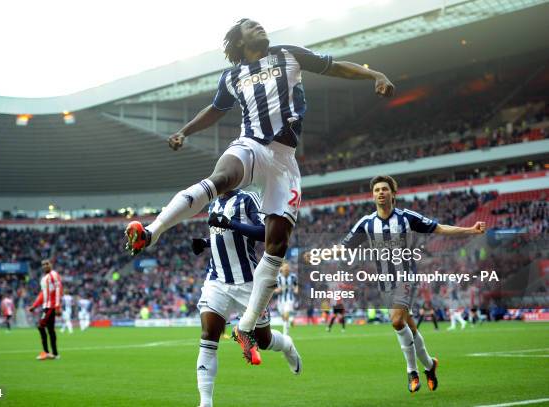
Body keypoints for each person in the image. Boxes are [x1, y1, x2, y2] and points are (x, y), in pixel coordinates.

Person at [125, 18, 394, 363]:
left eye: (259, 25)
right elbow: (215, 109)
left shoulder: (289, 55)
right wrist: (185, 132)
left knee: (277, 243)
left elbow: (335, 67)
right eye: (251, 26)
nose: (260, 28)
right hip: (251, 145)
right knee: (221, 177)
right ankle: (152, 230)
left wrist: (375, 75)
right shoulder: (232, 77)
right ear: (239, 41)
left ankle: (247, 325)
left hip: (285, 162)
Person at [341, 175, 485, 393]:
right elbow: (344, 246)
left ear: (393, 193)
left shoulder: (406, 218)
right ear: (373, 196)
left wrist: (471, 230)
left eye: (384, 189)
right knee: (409, 326)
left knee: (397, 321)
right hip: (384, 282)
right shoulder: (366, 223)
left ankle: (411, 371)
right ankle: (429, 364)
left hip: (405, 277)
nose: (380, 192)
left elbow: (439, 228)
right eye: (376, 190)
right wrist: (319, 255)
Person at [193, 189, 301, 407]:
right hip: (217, 280)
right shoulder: (213, 204)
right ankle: (205, 403)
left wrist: (230, 223)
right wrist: (205, 243)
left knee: (264, 340)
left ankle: (287, 345)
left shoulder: (247, 198)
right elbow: (222, 236)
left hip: (249, 282)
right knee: (208, 335)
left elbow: (266, 233)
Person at [29, 259, 62, 361]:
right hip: (46, 306)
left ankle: (46, 352)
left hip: (51, 306)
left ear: (51, 265)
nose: (45, 266)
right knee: (50, 330)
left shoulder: (54, 275)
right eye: (43, 264)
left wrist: (57, 307)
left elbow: (58, 290)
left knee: (40, 326)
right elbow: (43, 294)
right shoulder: (43, 279)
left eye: (47, 264)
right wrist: (34, 305)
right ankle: (55, 354)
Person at [275, 262, 298, 335]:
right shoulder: (278, 278)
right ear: (282, 269)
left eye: (287, 268)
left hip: (290, 299)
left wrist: (296, 289)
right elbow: (274, 288)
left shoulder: (293, 277)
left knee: (286, 314)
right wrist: (277, 290)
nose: (286, 269)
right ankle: (291, 320)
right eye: (285, 268)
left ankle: (286, 335)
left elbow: (296, 285)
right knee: (283, 317)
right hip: (280, 300)